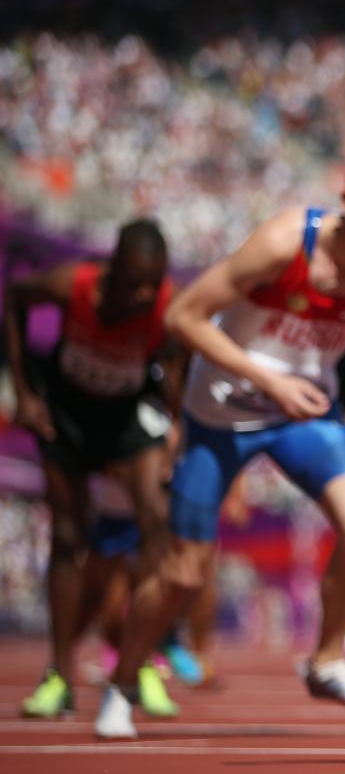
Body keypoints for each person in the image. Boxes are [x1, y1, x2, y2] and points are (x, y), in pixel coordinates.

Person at [94, 142, 345, 739]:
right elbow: (183, 318)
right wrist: (269, 379)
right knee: (185, 574)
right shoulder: (285, 244)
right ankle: (122, 684)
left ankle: (326, 661)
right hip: (222, 414)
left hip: (303, 412)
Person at [4, 220, 182, 719]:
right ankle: (59, 675)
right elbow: (14, 299)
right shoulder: (72, 284)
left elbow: (183, 352)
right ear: (113, 268)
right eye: (134, 283)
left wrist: (175, 422)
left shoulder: (169, 303)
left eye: (154, 282)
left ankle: (139, 661)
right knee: (67, 535)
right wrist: (24, 392)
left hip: (127, 416)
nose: (145, 293)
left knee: (155, 520)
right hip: (68, 414)